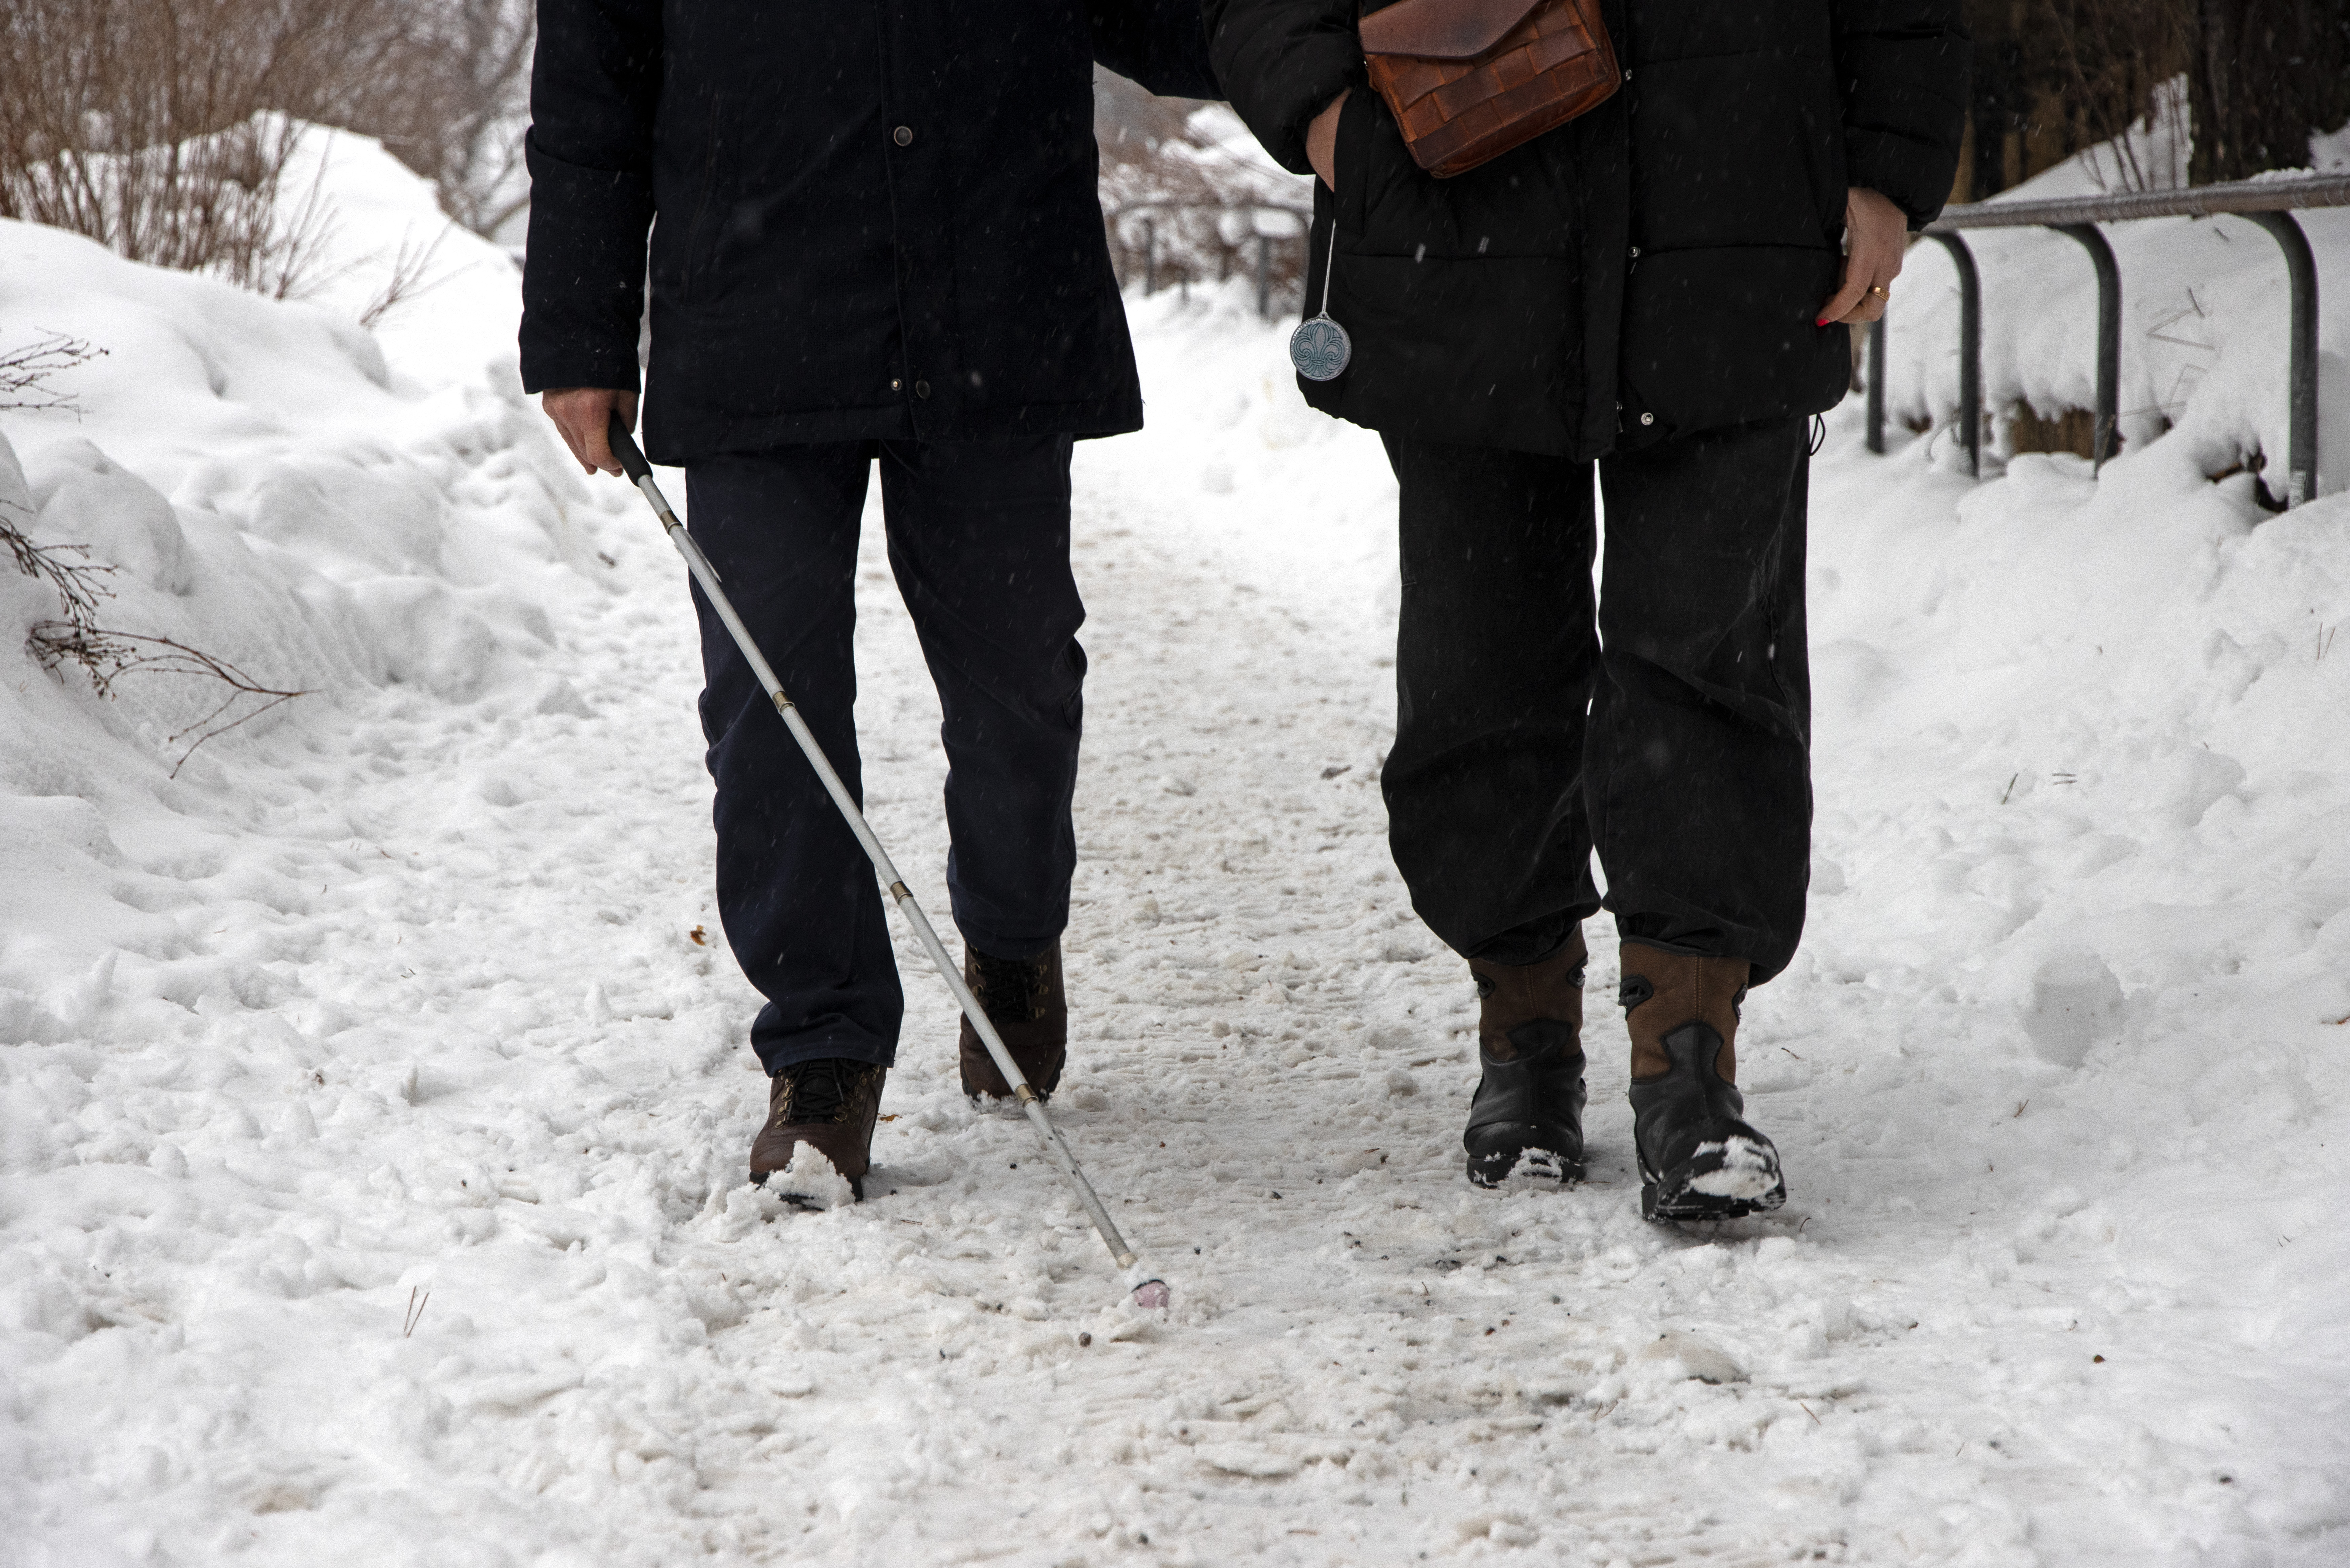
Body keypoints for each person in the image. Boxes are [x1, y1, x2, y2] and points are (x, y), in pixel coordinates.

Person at [1205, 0, 1967, 1217]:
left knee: (1709, 669)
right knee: (1482, 672)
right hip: (1459, 231)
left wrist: (1888, 172)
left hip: (1738, 236)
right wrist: (1328, 116)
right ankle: (1524, 1038)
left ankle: (1688, 1071)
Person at [520, 0, 1219, 1196]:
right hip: (754, 316)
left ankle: (1011, 934)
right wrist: (580, 331)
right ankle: (825, 1050)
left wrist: (1350, 56)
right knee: (769, 695)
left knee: (1021, 677)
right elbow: (592, 86)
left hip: (996, 294)